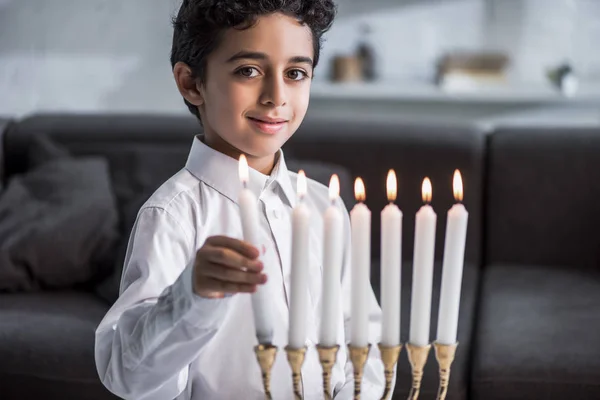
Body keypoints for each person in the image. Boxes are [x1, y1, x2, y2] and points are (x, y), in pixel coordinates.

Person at [95, 0, 386, 399]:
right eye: (248, 71)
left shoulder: (326, 207)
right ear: (191, 83)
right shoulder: (173, 215)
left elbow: (363, 338)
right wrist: (191, 296)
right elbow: (128, 375)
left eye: (296, 73)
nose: (276, 96)